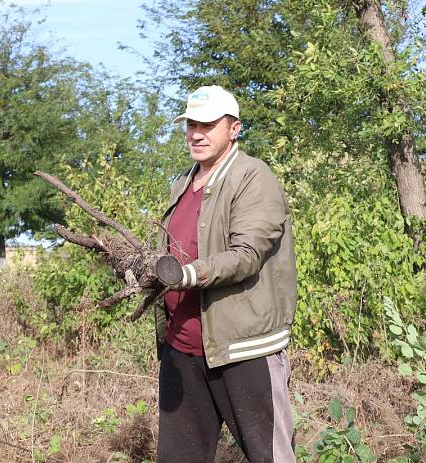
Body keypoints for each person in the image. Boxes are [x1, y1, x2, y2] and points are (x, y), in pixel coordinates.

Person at [154, 85, 298, 463]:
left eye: (208, 124)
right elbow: (170, 252)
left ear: (234, 128)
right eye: (190, 125)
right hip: (182, 349)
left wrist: (187, 274)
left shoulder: (253, 177)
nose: (196, 133)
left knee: (270, 456)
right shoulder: (182, 183)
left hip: (242, 349)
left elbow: (247, 255)